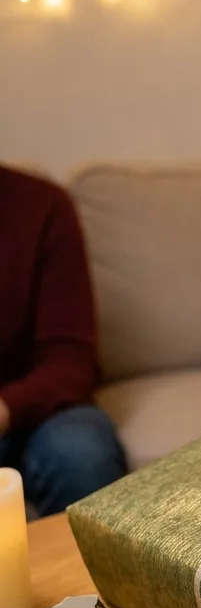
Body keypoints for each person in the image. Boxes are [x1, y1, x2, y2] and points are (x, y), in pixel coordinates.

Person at [0, 165, 126, 516]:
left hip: (42, 407)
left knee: (83, 457)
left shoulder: (41, 206)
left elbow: (72, 360)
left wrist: (7, 407)